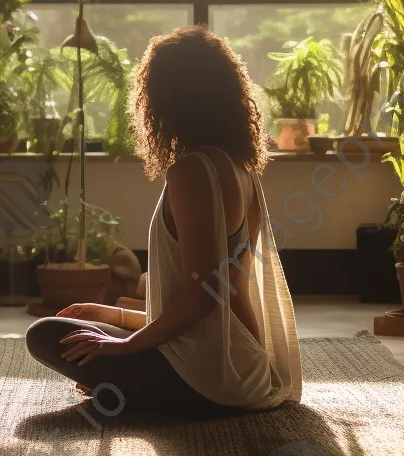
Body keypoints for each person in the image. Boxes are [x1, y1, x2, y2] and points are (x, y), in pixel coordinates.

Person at [25, 26, 301, 413]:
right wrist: (114, 315)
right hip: (241, 365)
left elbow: (205, 296)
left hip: (211, 380)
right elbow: (220, 302)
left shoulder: (193, 171)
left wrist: (125, 345)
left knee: (45, 334)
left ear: (164, 99)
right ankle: (129, 380)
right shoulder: (240, 168)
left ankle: (137, 388)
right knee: (83, 327)